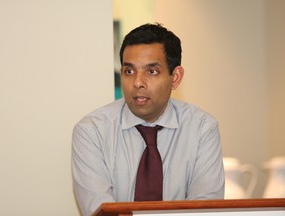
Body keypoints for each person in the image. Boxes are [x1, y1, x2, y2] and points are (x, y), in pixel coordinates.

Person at [72, 23, 224, 216]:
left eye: (151, 72)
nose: (137, 82)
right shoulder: (91, 131)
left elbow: (205, 210)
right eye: (129, 71)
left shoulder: (202, 129)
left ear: (175, 77)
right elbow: (100, 211)